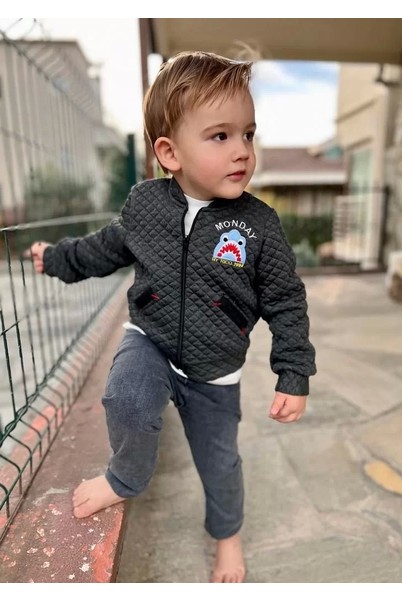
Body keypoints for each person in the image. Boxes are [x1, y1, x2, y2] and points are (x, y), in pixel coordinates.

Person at [25, 50, 316, 583]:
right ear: (169, 152)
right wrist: (56, 258)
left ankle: (227, 536)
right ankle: (124, 478)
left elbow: (286, 300)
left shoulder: (258, 225)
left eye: (248, 134)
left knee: (220, 465)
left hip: (215, 372)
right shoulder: (145, 206)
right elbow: (103, 249)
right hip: (151, 340)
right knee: (126, 398)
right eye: (220, 136)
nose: (242, 150)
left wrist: (293, 373)